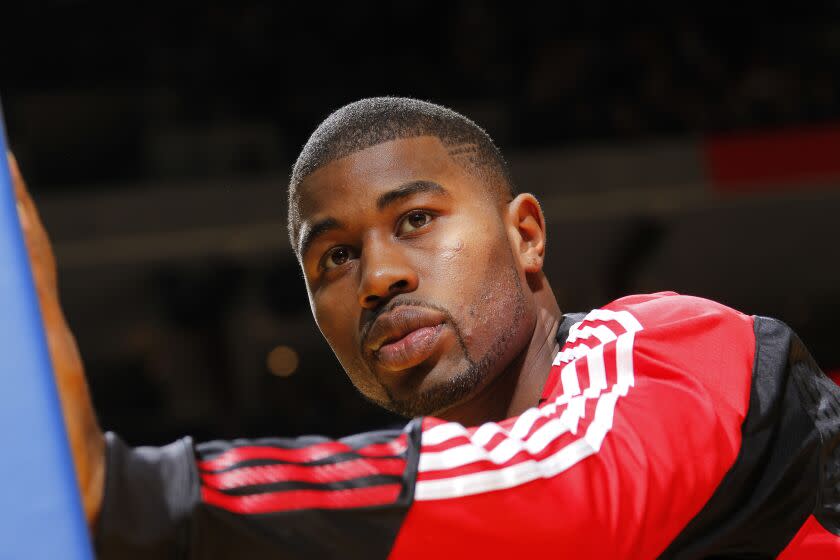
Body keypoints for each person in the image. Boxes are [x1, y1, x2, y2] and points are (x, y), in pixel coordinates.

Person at [10, 97, 840, 559]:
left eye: (413, 220)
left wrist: (135, 494)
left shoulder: (679, 349)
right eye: (332, 260)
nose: (378, 278)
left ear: (526, 235)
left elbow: (566, 494)